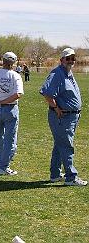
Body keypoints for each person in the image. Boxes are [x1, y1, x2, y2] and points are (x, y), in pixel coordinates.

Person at [40, 47, 87, 186]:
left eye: (73, 58)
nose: (71, 61)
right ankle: (71, 177)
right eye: (68, 58)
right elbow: (47, 93)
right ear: (61, 60)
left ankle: (55, 174)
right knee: (66, 146)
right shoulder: (57, 73)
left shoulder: (68, 72)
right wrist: (55, 107)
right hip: (62, 117)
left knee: (60, 145)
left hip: (71, 116)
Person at [0, 52, 24, 175]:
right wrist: (4, 102)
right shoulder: (15, 75)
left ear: (3, 60)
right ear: (14, 63)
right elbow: (18, 94)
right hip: (10, 109)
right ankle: (3, 166)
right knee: (9, 138)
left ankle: (0, 163)